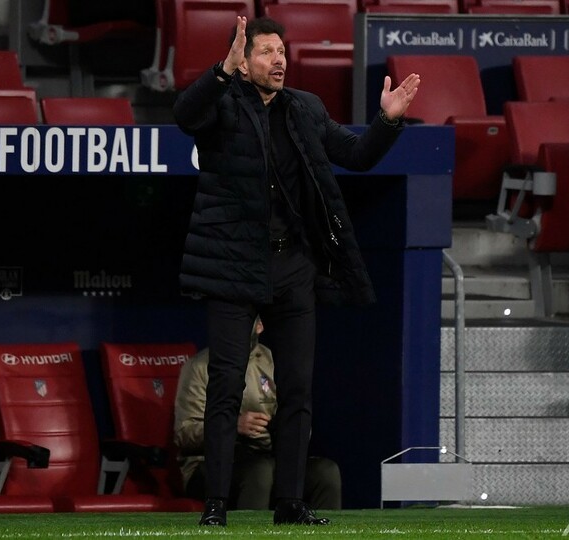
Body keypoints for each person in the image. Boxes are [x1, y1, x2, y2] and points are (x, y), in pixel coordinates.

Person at [173, 15, 419, 527]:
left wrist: (388, 120)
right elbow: (185, 113)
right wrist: (221, 70)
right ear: (244, 63)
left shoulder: (305, 107)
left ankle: (290, 501)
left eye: (282, 51)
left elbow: (357, 155)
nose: (279, 60)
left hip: (292, 265)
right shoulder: (222, 104)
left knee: (298, 388)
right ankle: (215, 504)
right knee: (224, 386)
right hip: (233, 265)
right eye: (266, 52)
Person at [174, 317, 342, 511]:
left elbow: (299, 421)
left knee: (325, 472)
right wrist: (233, 427)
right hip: (209, 465)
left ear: (260, 326)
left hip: (266, 458)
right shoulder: (200, 366)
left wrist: (285, 428)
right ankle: (250, 528)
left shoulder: (272, 361)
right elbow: (183, 434)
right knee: (260, 472)